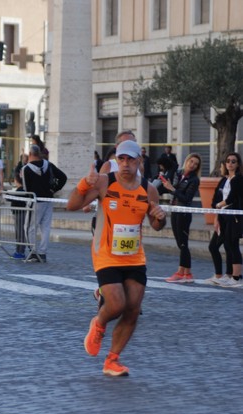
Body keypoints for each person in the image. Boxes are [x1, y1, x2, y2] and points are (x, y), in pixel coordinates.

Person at [67, 140, 166, 377]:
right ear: (116, 160)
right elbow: (72, 205)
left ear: (139, 162)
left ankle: (112, 360)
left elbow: (156, 224)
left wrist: (160, 217)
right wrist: (83, 184)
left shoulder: (148, 189)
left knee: (132, 309)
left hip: (134, 257)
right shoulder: (104, 182)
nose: (125, 164)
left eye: (131, 160)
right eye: (121, 159)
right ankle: (99, 323)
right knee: (117, 304)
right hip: (106, 255)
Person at [21, 144, 67, 262]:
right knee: (45, 227)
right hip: (48, 199)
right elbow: (63, 177)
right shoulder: (48, 165)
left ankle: (32, 252)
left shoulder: (26, 169)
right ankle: (42, 253)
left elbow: (26, 188)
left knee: (29, 227)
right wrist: (54, 189)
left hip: (35, 201)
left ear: (30, 154)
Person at [162, 153, 202, 283]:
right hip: (174, 210)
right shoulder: (178, 173)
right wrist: (167, 184)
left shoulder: (194, 180)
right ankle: (187, 273)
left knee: (183, 243)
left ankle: (181, 272)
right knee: (180, 243)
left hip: (184, 212)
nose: (193, 165)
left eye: (196, 164)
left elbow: (186, 199)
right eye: (191, 161)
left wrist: (172, 189)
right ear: (187, 161)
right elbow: (170, 189)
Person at [209, 152, 243, 287]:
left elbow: (231, 199)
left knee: (233, 245)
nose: (230, 163)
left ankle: (236, 278)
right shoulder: (225, 179)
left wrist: (218, 205)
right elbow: (217, 197)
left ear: (238, 164)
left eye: (233, 161)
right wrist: (217, 212)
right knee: (228, 245)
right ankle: (229, 275)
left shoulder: (238, 179)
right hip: (223, 215)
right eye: (228, 161)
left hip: (234, 216)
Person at [8, 171, 27, 260]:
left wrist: (4, 192)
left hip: (20, 213)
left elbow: (11, 198)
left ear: (16, 180)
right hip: (18, 213)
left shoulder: (21, 190)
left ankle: (20, 251)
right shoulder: (21, 190)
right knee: (19, 233)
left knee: (20, 233)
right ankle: (19, 250)